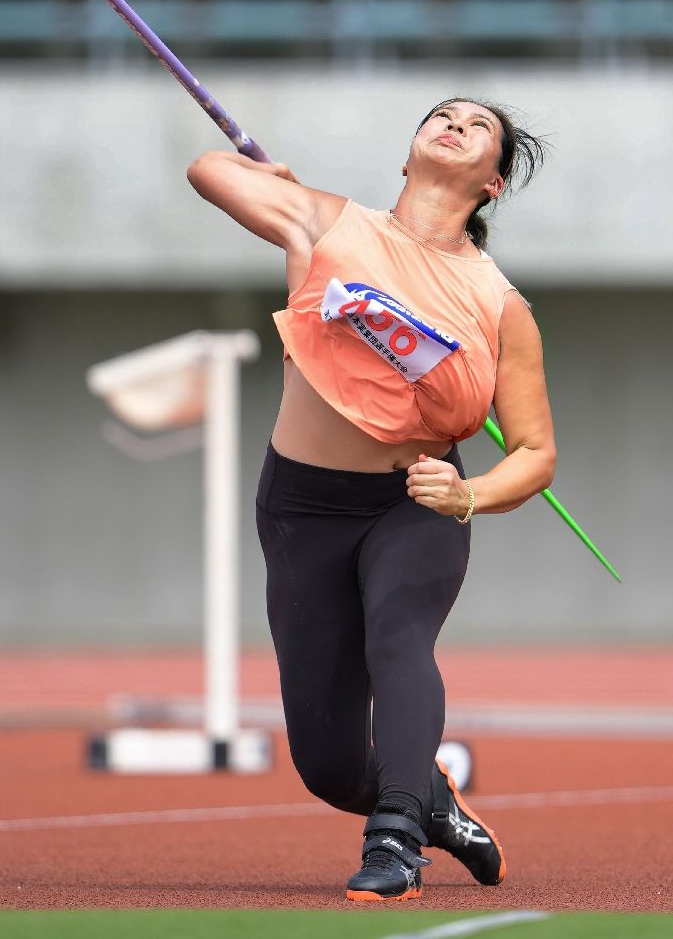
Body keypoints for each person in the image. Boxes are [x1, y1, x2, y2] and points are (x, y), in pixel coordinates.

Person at [187, 98, 556, 903]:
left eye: (476, 126)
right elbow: (207, 171)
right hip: (300, 508)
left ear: (491, 183)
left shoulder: (499, 304)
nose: (453, 123)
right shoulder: (329, 223)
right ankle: (430, 801)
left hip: (411, 502)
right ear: (406, 154)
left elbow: (535, 455)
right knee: (325, 764)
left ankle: (393, 841)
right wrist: (274, 190)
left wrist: (467, 495)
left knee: (398, 638)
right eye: (440, 114)